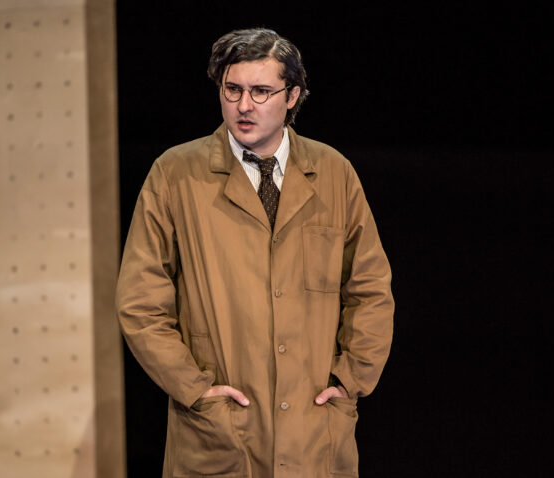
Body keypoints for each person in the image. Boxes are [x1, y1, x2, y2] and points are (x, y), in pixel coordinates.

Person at [116, 27, 394, 477]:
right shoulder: (175, 175)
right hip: (219, 432)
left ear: (292, 95)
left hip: (313, 430)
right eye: (233, 89)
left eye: (261, 91)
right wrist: (195, 389)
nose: (244, 106)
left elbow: (371, 289)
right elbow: (139, 304)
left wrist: (350, 379)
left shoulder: (333, 173)